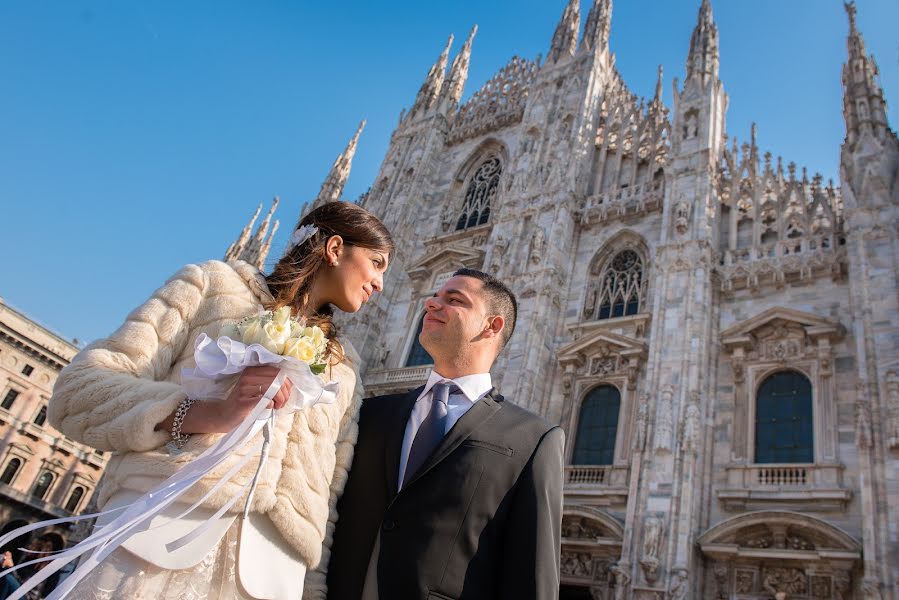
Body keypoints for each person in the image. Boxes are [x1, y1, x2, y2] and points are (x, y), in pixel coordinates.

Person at [47, 201, 393, 600]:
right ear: (335, 248)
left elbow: (324, 506)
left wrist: (309, 590)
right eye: (377, 263)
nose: (380, 283)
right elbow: (79, 392)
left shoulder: (343, 370)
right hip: (156, 547)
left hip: (268, 578)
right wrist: (207, 412)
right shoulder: (214, 287)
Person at [327, 268, 564, 600]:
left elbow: (531, 578)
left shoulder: (532, 438)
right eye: (434, 297)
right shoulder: (370, 413)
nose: (432, 304)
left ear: (492, 325)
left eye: (453, 300)